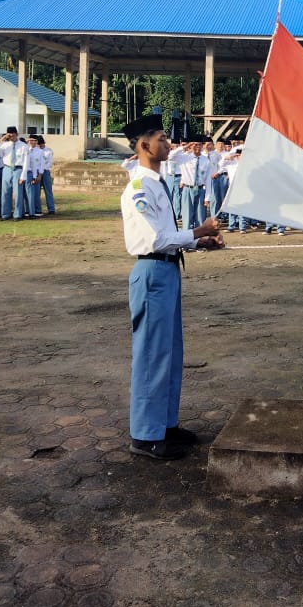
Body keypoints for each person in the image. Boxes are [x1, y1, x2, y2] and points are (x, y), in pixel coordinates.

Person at [120, 115, 224, 460]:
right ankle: (145, 435)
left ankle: (164, 424)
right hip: (151, 273)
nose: (167, 144)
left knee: (169, 351)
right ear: (143, 145)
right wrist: (198, 231)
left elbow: (168, 237)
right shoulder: (138, 187)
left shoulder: (157, 182)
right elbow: (154, 238)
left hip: (166, 270)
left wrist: (200, 243)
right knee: (151, 354)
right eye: (162, 139)